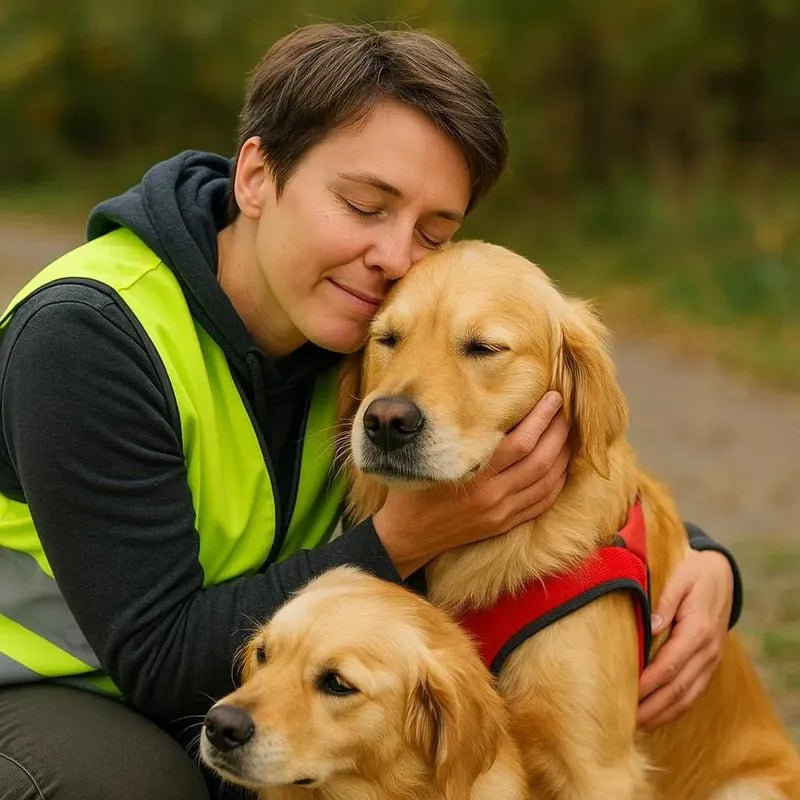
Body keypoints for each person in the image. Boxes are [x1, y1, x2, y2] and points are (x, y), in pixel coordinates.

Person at [0, 22, 742, 799]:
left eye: (432, 232)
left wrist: (696, 555)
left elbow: (558, 446)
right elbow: (158, 659)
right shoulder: (87, 336)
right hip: (46, 691)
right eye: (362, 205)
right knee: (144, 788)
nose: (394, 256)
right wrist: (406, 538)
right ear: (255, 175)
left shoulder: (374, 331)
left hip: (255, 687)